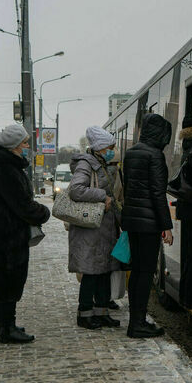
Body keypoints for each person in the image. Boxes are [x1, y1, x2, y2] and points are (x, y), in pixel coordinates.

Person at [0, 124, 51, 344]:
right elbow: (21, 204)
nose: (27, 146)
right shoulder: (7, 169)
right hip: (7, 234)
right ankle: (7, 328)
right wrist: (43, 212)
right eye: (25, 143)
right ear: (14, 146)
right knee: (9, 278)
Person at [122, 113, 173, 338]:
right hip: (149, 223)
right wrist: (167, 226)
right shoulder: (156, 156)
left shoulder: (131, 153)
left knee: (137, 272)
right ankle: (138, 324)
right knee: (146, 272)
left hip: (132, 220)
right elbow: (157, 193)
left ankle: (136, 320)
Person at [68, 126, 122, 330]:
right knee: (91, 272)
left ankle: (101, 312)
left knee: (103, 271)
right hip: (90, 227)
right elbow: (76, 189)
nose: (112, 150)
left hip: (103, 227)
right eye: (110, 147)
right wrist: (102, 196)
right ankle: (84, 314)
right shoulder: (86, 164)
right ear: (100, 147)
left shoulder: (101, 162)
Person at [175, 114, 192, 309]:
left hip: (186, 207)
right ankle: (191, 298)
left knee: (188, 254)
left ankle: (185, 295)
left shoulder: (186, 146)